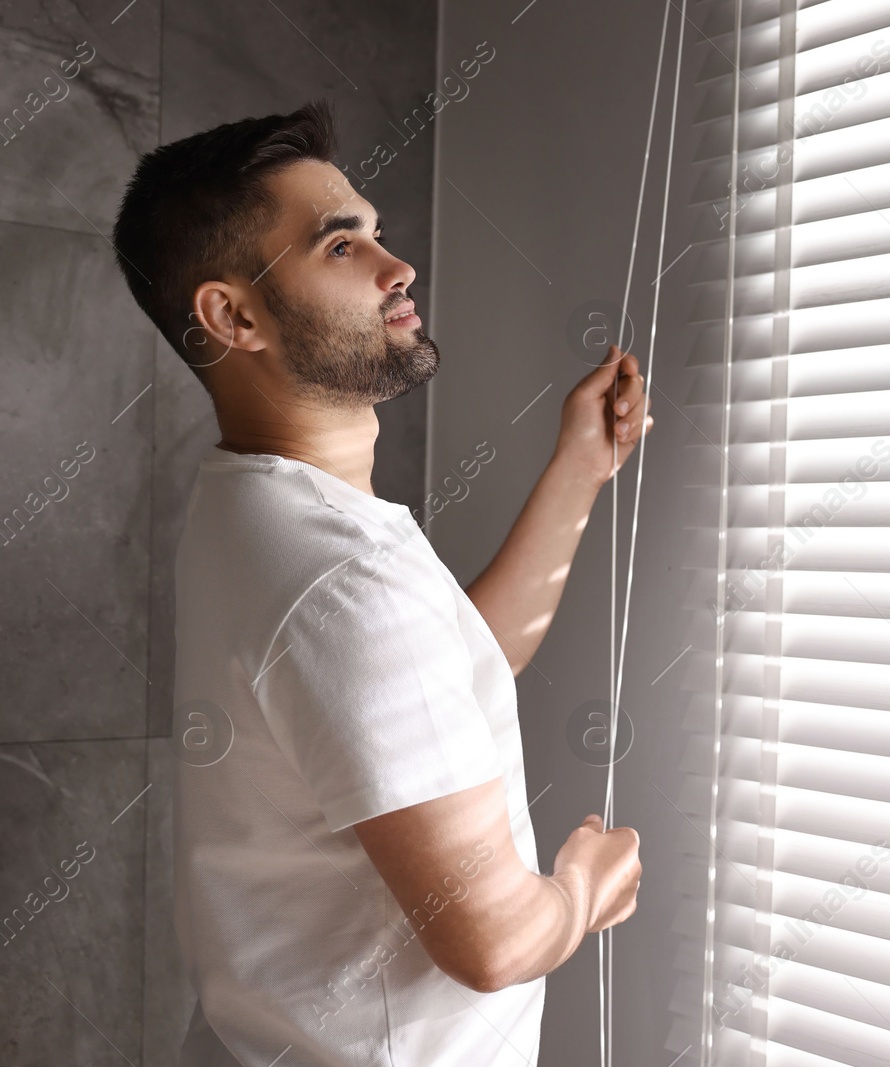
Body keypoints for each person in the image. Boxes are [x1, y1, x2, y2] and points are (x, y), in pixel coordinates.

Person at [111, 97, 647, 1066]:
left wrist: (579, 467)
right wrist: (582, 891)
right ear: (231, 314)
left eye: (377, 233)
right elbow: (492, 939)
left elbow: (443, 662)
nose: (398, 267)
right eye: (340, 245)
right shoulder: (339, 575)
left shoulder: (254, 507)